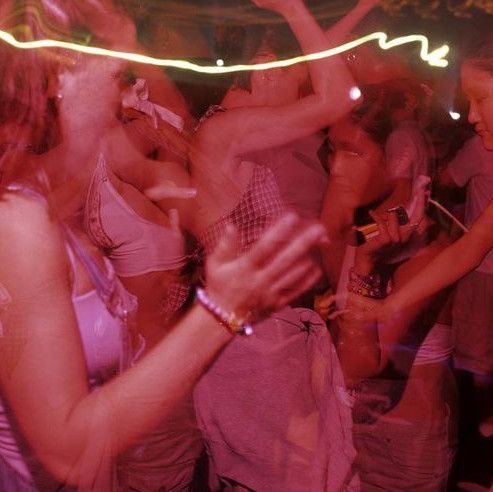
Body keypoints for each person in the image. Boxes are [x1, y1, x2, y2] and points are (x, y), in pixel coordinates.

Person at [0, 5, 327, 491]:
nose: (127, 86)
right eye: (116, 69)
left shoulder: (46, 200)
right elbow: (67, 449)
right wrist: (222, 311)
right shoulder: (18, 222)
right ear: (59, 77)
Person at [188, 0, 371, 489]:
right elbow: (336, 95)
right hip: (256, 348)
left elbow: (324, 70)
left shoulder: (231, 127)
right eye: (298, 74)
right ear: (267, 69)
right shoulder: (227, 131)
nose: (306, 85)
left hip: (260, 339)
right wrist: (292, 7)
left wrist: (361, 10)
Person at [319, 84, 457, 491]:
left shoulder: (431, 252)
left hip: (402, 454)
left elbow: (359, 367)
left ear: (400, 158)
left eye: (353, 152)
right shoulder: (355, 222)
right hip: (344, 432)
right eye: (332, 151)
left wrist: (365, 264)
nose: (336, 168)